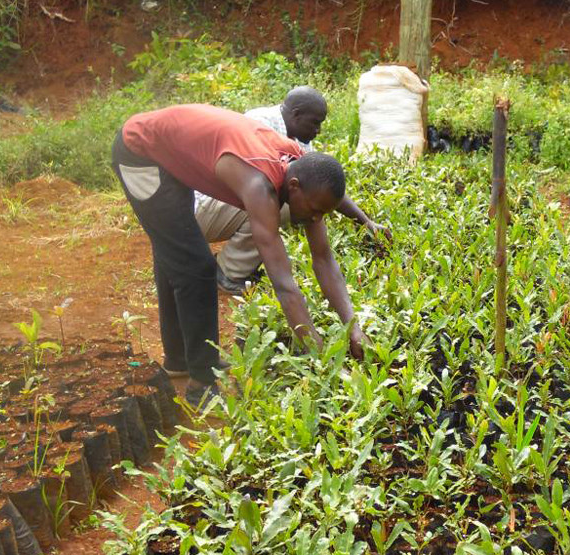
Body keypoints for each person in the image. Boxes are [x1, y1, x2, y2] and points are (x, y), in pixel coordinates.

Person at [112, 103, 368, 403]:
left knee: (178, 252)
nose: (315, 220)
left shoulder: (305, 170)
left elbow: (323, 259)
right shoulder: (259, 185)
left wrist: (354, 327)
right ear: (294, 186)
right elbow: (284, 285)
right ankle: (201, 383)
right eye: (314, 212)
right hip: (141, 151)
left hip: (173, 150)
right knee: (195, 268)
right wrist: (322, 357)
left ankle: (181, 358)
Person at [194, 86, 390, 294]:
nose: (318, 130)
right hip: (198, 209)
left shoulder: (297, 140)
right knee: (274, 202)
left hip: (217, 206)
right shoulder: (260, 124)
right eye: (315, 123)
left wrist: (366, 222)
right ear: (296, 115)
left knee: (289, 200)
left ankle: (236, 265)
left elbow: (318, 183)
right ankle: (227, 275)